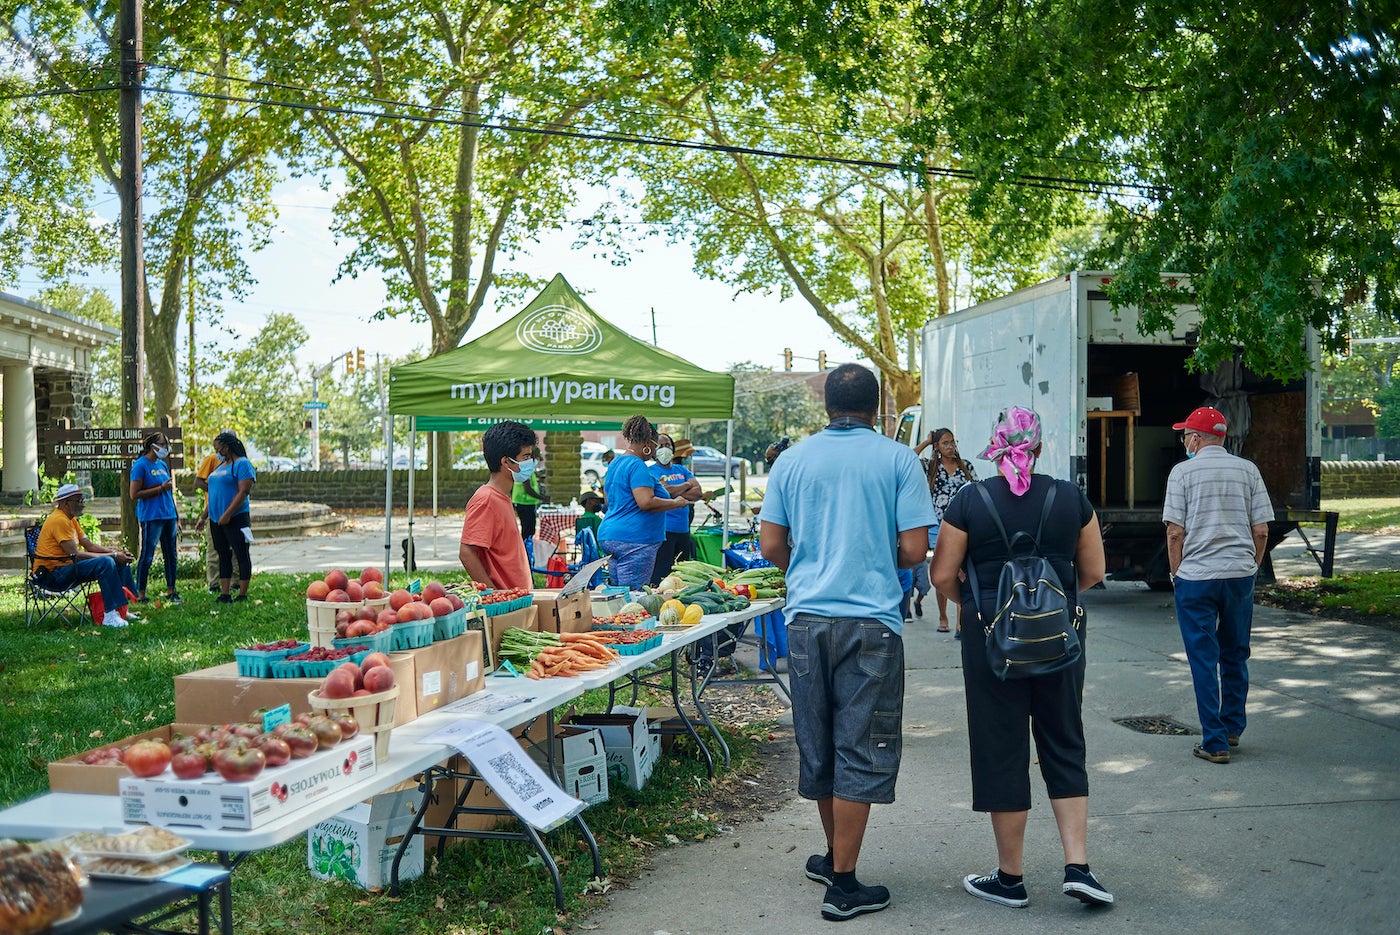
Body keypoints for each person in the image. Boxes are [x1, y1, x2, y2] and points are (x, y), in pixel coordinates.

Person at [759, 364, 934, 922]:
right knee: (860, 745)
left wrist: (810, 567)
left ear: (828, 405)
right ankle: (844, 884)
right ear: (876, 405)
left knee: (820, 742)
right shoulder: (899, 459)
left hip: (806, 621)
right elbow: (913, 549)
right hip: (872, 623)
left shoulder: (793, 460)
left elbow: (769, 545)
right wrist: (874, 559)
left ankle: (834, 856)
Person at [931, 406, 1113, 910]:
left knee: (1000, 746)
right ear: (1038, 446)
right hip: (1060, 641)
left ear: (996, 445)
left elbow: (942, 575)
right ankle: (1078, 866)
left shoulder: (970, 500)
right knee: (1063, 740)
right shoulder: (1070, 498)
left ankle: (1010, 878)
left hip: (991, 643)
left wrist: (973, 607)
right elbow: (1093, 571)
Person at [1163, 405, 1273, 765]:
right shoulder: (1249, 470)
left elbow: (1175, 532)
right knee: (1236, 653)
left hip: (1195, 578)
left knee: (1203, 658)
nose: (1184, 442)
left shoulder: (1182, 473)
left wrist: (1176, 573)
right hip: (1239, 575)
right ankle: (1231, 728)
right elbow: (1261, 530)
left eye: (1185, 436)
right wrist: (1252, 568)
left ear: (1195, 438)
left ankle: (1214, 742)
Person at [597, 415, 691, 589]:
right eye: (656, 446)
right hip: (634, 540)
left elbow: (609, 501)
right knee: (632, 598)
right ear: (648, 443)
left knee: (618, 596)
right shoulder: (637, 465)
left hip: (611, 535)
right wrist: (676, 503)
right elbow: (646, 502)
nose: (656, 451)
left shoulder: (616, 463)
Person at [32, 484, 138, 628]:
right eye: (78, 501)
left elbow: (89, 546)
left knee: (120, 562)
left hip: (68, 567)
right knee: (106, 563)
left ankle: (122, 610)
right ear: (65, 503)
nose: (82, 505)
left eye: (82, 500)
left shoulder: (71, 519)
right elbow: (76, 554)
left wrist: (117, 553)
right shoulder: (59, 520)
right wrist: (112, 556)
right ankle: (110, 615)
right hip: (53, 574)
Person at [460, 420, 536, 590]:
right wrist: (494, 595)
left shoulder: (502, 497)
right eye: (526, 457)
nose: (530, 462)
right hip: (506, 606)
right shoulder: (486, 499)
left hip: (519, 600)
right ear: (506, 462)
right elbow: (467, 553)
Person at [916, 426, 977, 633]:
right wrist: (926, 442)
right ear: (937, 447)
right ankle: (943, 617)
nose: (951, 447)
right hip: (939, 528)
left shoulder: (965, 466)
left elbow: (975, 491)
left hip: (963, 528)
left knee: (962, 572)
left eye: (953, 442)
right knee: (943, 571)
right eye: (945, 443)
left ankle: (961, 622)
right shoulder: (930, 466)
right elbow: (907, 458)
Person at [195, 430, 256, 603]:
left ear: (227, 447)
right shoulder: (220, 467)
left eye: (219, 449)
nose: (217, 453)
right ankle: (225, 593)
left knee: (241, 554)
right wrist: (204, 516)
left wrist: (228, 514)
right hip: (216, 519)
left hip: (236, 517)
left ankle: (242, 593)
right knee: (223, 554)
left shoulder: (242, 464)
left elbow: (244, 491)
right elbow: (214, 495)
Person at [129, 431, 181, 605]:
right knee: (148, 555)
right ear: (153, 446)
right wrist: (160, 488)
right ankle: (141, 593)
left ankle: (171, 590)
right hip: (152, 517)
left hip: (169, 515)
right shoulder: (140, 465)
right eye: (163, 444)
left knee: (171, 554)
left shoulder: (162, 465)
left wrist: (177, 516)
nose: (166, 447)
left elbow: (170, 491)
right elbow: (134, 494)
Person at [648, 432, 704, 586]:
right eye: (660, 446)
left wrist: (674, 489)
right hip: (664, 531)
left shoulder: (682, 469)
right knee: (662, 575)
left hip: (683, 530)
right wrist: (686, 485)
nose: (664, 449)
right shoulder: (652, 471)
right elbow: (665, 493)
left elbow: (698, 492)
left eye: (668, 445)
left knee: (682, 575)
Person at [193, 437, 222, 592]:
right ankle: (214, 583)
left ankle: (234, 581)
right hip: (213, 510)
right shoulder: (211, 459)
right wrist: (215, 491)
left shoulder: (238, 462)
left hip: (232, 511)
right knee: (214, 549)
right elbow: (198, 482)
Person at [512, 445, 547, 555]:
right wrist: (542, 498)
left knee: (529, 529)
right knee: (528, 530)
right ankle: (525, 553)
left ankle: (526, 552)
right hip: (524, 502)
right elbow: (527, 489)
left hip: (527, 502)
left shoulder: (529, 468)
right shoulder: (525, 468)